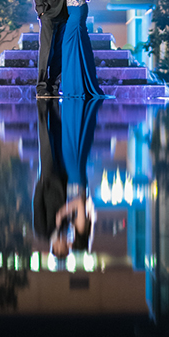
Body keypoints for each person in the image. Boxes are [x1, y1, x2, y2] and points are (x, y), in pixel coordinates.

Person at [32, 97, 103, 264]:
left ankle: (42, 110)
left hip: (48, 177)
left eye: (65, 247)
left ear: (56, 249)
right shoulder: (65, 227)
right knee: (58, 138)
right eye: (69, 246)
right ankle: (54, 106)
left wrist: (42, 181)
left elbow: (37, 204)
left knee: (46, 141)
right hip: (63, 176)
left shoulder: (42, 232)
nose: (67, 243)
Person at [55, 0, 108, 98]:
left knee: (72, 47)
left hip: (77, 12)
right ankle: (75, 85)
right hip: (73, 10)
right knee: (72, 47)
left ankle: (77, 87)